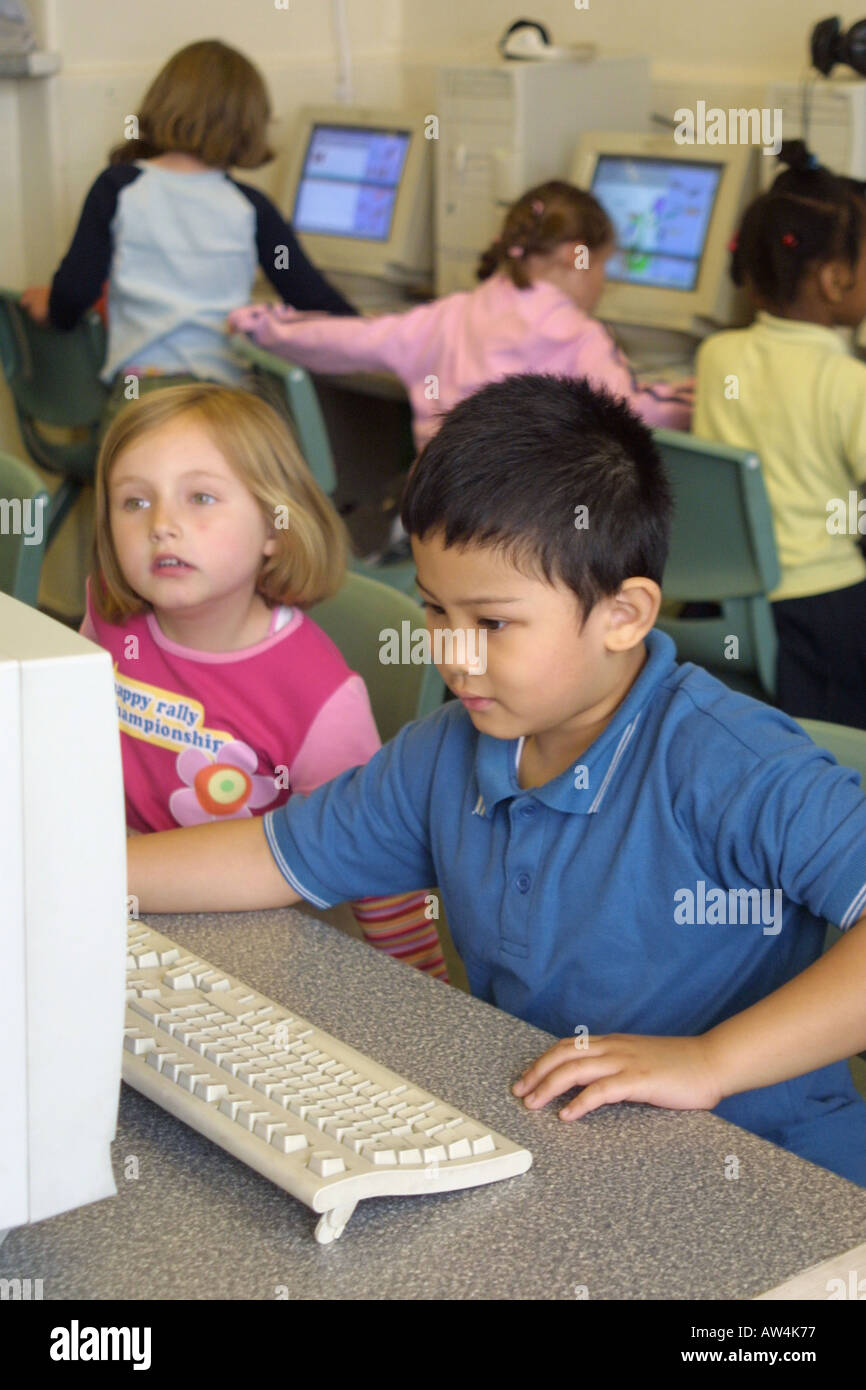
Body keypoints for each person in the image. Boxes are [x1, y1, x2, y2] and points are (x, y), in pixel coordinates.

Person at [127, 374, 866, 1186]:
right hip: (564, 1148)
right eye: (437, 612)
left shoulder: (724, 759)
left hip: (773, 1166)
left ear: (624, 615)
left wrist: (711, 1061)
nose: (452, 655)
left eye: (493, 623)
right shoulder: (451, 749)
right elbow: (270, 856)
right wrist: (57, 873)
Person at [85, 382, 447, 979]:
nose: (162, 525)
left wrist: (424, 1000)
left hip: (253, 944)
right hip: (119, 898)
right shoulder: (107, 609)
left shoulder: (320, 698)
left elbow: (377, 861)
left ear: (275, 528)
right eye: (133, 502)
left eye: (200, 496)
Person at [20, 39, 355, 427]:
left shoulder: (118, 189)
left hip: (141, 396)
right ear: (249, 124)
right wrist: (379, 328)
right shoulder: (252, 208)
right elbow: (313, 300)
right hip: (224, 400)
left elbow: (76, 292)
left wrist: (55, 306)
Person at [227, 179, 693, 455]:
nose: (603, 283)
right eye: (603, 266)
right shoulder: (581, 337)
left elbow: (347, 338)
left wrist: (263, 324)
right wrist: (701, 392)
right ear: (576, 257)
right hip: (529, 537)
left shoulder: (451, 315)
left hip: (438, 526)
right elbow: (638, 411)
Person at [693, 140, 866, 726]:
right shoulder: (845, 380)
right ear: (836, 279)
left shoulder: (717, 356)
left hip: (725, 600)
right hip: (824, 611)